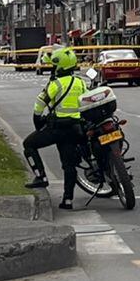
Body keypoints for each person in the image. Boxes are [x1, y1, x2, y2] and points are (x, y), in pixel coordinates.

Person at [22, 46, 88, 210]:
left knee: (29, 144)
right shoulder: (80, 82)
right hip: (75, 130)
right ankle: (67, 200)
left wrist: (38, 124)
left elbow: (39, 105)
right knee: (69, 166)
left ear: (59, 67)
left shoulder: (55, 84)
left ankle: (41, 177)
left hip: (57, 129)